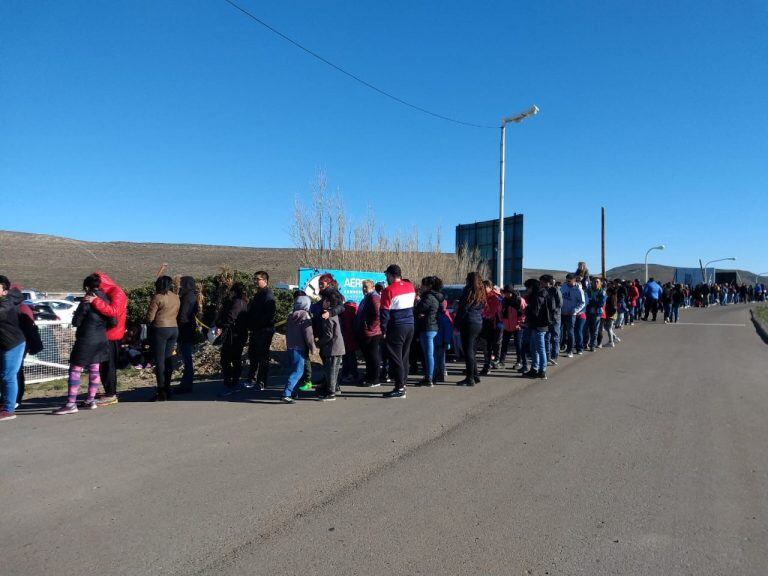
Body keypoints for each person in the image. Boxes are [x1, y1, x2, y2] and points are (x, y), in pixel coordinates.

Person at [53, 274, 112, 414]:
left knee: (75, 369)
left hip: (86, 339)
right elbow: (113, 320)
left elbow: (76, 321)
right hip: (101, 338)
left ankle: (71, 404)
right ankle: (90, 400)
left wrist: (77, 316)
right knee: (94, 368)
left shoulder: (87, 299)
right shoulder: (106, 299)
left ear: (87, 287)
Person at [86, 272, 127, 406]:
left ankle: (111, 394)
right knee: (105, 366)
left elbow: (114, 311)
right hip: (107, 333)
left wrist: (95, 301)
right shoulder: (110, 292)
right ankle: (110, 392)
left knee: (108, 366)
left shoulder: (117, 292)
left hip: (112, 334)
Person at [379, 264, 416, 398]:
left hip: (396, 326)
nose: (386, 278)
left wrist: (383, 329)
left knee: (395, 357)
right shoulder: (410, 286)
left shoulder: (388, 290)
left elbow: (384, 313)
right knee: (404, 356)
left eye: (386, 275)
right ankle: (403, 384)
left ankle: (400, 388)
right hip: (410, 324)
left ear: (391, 275)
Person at [145, 275, 180, 401]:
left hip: (160, 329)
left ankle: (161, 391)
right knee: (168, 359)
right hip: (174, 328)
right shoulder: (176, 297)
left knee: (159, 361)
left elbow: (150, 317)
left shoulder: (158, 297)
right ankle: (167, 388)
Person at [281, 295, 317, 403]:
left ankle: (293, 392)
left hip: (290, 347)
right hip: (300, 347)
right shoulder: (305, 315)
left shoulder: (291, 316)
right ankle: (286, 393)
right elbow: (308, 334)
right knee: (298, 371)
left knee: (293, 370)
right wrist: (312, 347)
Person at [0, 276, 25, 421]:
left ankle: (9, 410)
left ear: (4, 292)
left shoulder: (6, 304)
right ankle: (4, 404)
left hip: (13, 344)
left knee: (9, 376)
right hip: (4, 343)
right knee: (3, 375)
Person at [216, 282, 249, 395]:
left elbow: (230, 317)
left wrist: (220, 325)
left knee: (226, 359)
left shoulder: (237, 302)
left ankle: (229, 382)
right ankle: (235, 381)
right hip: (240, 334)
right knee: (236, 359)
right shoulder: (244, 302)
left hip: (233, 335)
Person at [246, 271, 276, 391]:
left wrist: (259, 325)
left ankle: (261, 382)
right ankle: (251, 379)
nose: (255, 281)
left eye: (257, 279)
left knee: (263, 357)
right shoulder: (258, 294)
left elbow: (269, 314)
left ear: (265, 280)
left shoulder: (268, 295)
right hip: (255, 330)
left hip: (264, 330)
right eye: (255, 279)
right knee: (253, 355)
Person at [454, 272, 486, 386]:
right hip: (478, 322)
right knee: (472, 350)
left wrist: (456, 323)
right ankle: (475, 375)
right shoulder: (482, 291)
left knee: (468, 351)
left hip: (468, 322)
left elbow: (464, 308)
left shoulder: (467, 290)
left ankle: (470, 378)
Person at [414, 276, 444, 387]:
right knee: (431, 354)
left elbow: (418, 310)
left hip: (427, 327)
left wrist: (417, 303)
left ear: (429, 286)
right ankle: (431, 376)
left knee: (428, 355)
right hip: (433, 326)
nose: (421, 287)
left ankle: (429, 377)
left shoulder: (428, 297)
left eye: (423, 285)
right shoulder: (437, 297)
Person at [523, 278, 553, 379]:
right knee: (534, 348)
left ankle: (542, 371)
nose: (527, 290)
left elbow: (535, 312)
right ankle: (534, 369)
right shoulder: (541, 294)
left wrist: (527, 309)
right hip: (538, 325)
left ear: (532, 287)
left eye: (528, 288)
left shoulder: (539, 295)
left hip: (539, 325)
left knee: (540, 349)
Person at [317, 296, 345, 401]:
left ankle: (331, 393)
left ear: (328, 303)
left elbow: (328, 335)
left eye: (324, 300)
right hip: (338, 346)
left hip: (332, 347)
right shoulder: (335, 314)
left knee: (331, 371)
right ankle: (334, 389)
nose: (322, 302)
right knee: (335, 370)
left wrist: (318, 343)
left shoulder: (327, 315)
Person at [355, 280, 382, 387]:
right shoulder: (366, 298)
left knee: (373, 356)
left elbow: (377, 314)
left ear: (372, 287)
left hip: (373, 333)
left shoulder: (374, 297)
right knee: (368, 356)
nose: (364, 289)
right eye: (363, 287)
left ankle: (375, 379)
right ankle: (369, 377)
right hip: (366, 332)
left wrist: (370, 326)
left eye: (366, 287)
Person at [176, 276, 200, 394]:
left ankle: (186, 385)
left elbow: (182, 315)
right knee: (187, 358)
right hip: (189, 329)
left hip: (185, 330)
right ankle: (186, 384)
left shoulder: (186, 297)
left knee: (187, 359)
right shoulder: (193, 296)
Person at [499, 285, 526, 369]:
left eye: (507, 293)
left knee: (518, 344)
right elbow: (500, 311)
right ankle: (501, 361)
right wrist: (502, 321)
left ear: (511, 292)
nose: (505, 295)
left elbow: (524, 312)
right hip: (507, 326)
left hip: (518, 326)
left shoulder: (519, 300)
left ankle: (519, 361)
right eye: (504, 293)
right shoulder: (504, 301)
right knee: (504, 344)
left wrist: (520, 323)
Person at [560, 273, 585, 358]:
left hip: (571, 315)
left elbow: (582, 303)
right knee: (560, 331)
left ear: (574, 280)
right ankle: (559, 347)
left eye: (569, 281)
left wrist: (574, 310)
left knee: (570, 332)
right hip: (562, 313)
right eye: (566, 281)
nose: (567, 282)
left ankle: (570, 350)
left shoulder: (579, 290)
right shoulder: (563, 287)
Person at [480, 281, 503, 375]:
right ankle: (487, 365)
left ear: (489, 287)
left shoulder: (495, 297)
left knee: (494, 344)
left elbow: (493, 312)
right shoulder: (483, 297)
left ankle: (494, 361)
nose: (482, 289)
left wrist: (485, 315)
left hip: (495, 324)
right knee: (486, 346)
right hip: (487, 323)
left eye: (484, 287)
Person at [540, 275, 562, 366]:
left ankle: (554, 357)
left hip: (555, 318)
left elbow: (560, 304)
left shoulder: (555, 290)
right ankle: (547, 357)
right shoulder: (542, 291)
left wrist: (552, 312)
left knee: (555, 337)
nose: (541, 284)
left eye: (542, 282)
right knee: (547, 337)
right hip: (546, 318)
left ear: (548, 282)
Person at [585, 278, 606, 351]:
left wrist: (592, 301)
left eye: (597, 282)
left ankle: (592, 345)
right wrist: (592, 302)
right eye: (594, 282)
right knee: (587, 329)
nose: (596, 283)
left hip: (597, 313)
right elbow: (586, 301)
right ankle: (586, 343)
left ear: (600, 283)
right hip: (588, 312)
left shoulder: (602, 292)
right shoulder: (588, 290)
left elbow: (601, 303)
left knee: (595, 330)